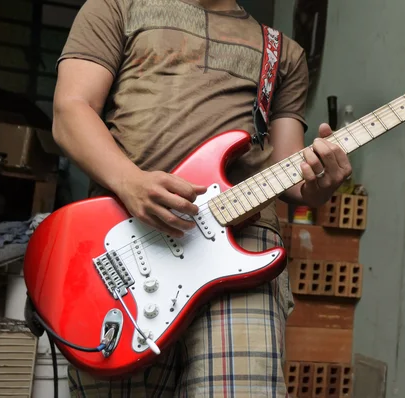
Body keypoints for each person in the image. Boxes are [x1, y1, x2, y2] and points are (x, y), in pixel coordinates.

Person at [52, 0, 352, 396]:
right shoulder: (115, 6)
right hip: (125, 239)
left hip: (241, 243)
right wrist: (130, 182)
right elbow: (71, 110)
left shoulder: (282, 52)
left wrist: (319, 185)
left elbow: (292, 174)